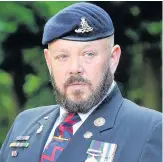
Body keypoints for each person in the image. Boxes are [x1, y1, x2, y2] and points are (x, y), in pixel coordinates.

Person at [0, 2, 161, 162]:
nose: (75, 68)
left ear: (113, 58)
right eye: (62, 56)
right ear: (49, 62)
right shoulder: (24, 124)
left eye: (88, 54)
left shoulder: (149, 130)